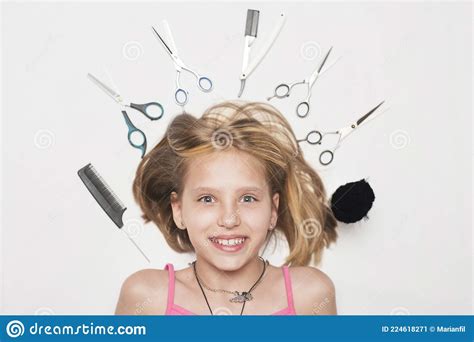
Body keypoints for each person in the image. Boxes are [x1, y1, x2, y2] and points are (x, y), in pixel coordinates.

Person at [115, 101, 338, 315]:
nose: (229, 219)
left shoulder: (310, 296)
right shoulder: (147, 298)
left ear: (272, 210)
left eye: (248, 198)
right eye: (207, 199)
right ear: (179, 210)